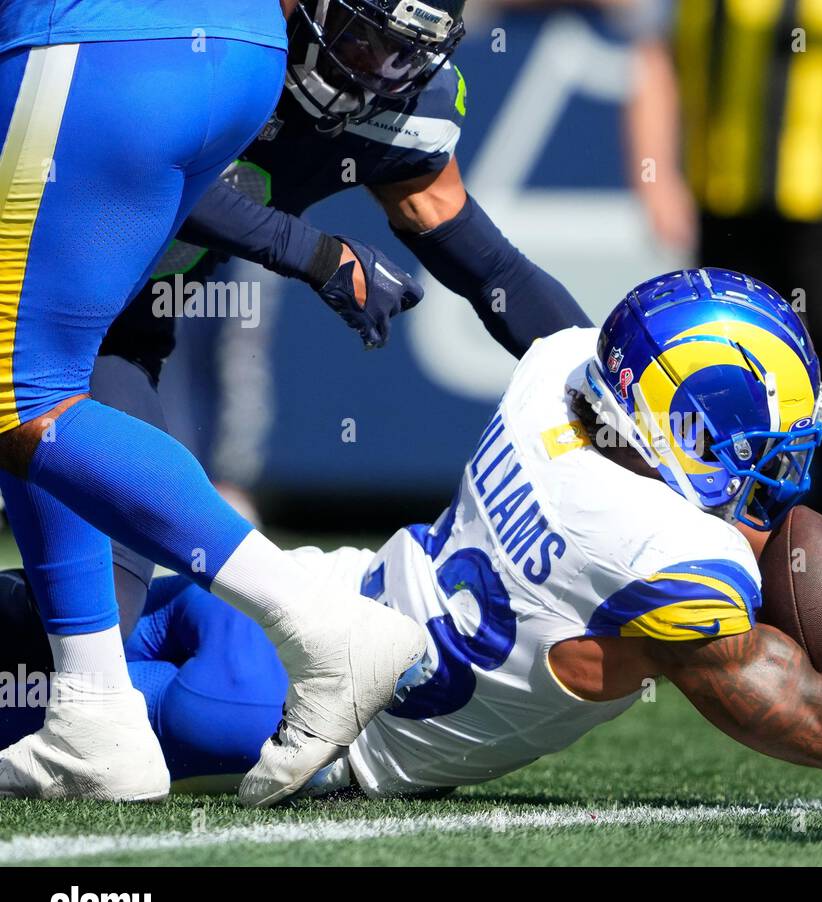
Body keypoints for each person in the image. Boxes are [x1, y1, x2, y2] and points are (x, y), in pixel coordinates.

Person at [0, 269, 822, 797]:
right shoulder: (677, 559)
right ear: (692, 432)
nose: (773, 475)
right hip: (295, 720)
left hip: (272, 602)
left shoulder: (557, 375)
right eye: (760, 445)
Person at [0, 0, 432, 807]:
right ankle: (92, 717)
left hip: (106, 33)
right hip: (231, 48)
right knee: (41, 375)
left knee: (19, 388)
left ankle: (321, 626)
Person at [70, 0, 590, 645]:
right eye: (364, 38)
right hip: (33, 295)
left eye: (405, 53)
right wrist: (317, 256)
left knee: (101, 610)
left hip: (108, 339)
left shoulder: (401, 110)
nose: (379, 68)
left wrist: (608, 387)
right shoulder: (222, 33)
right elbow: (137, 163)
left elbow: (496, 275)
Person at [625, 0, 822, 527]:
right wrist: (654, 175)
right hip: (727, 199)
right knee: (718, 359)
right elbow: (655, 55)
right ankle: (716, 516)